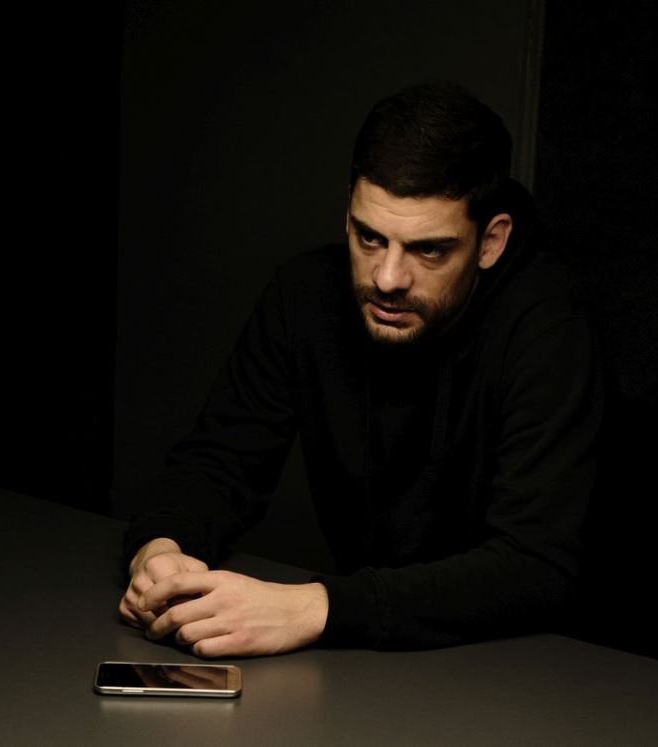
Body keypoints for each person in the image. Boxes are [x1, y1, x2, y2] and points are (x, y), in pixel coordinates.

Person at [118, 81, 603, 657]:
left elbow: (534, 565)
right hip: (367, 661)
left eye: (429, 249)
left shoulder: (550, 329)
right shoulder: (305, 295)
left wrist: (317, 607)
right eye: (369, 237)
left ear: (491, 241)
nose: (387, 279)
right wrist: (160, 548)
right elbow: (219, 463)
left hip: (524, 666)